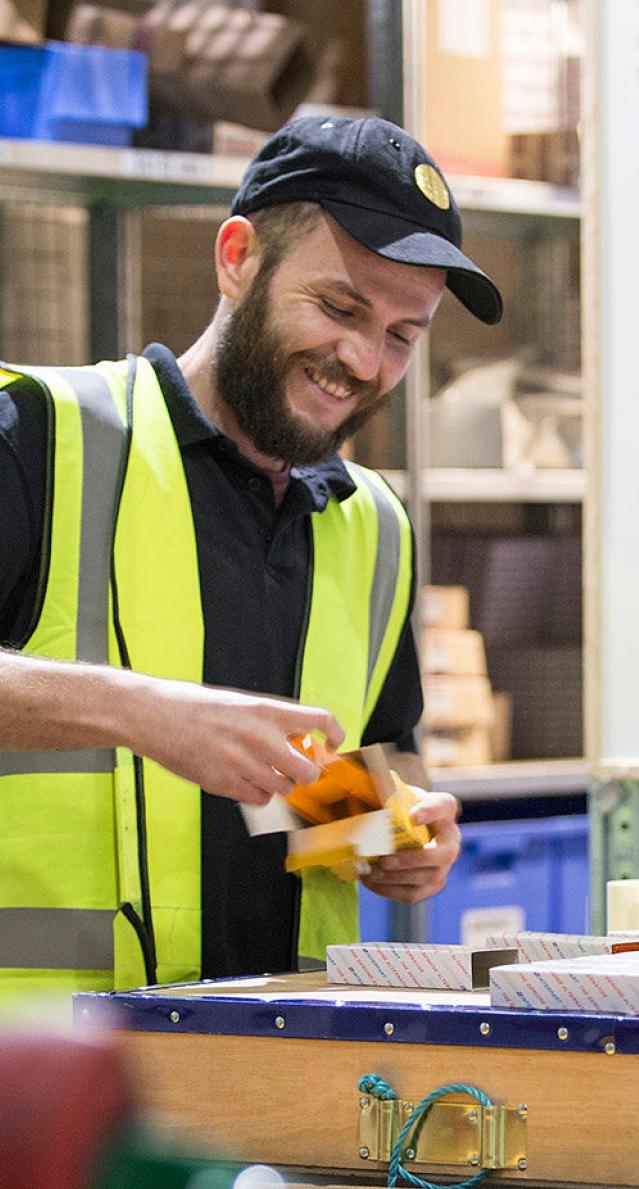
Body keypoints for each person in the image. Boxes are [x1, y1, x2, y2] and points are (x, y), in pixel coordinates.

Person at [0, 115, 503, 999]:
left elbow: (354, 768)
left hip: (278, 1055)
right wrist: (142, 713)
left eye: (401, 335)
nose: (362, 360)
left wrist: (393, 833)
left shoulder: (375, 528)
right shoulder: (42, 439)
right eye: (340, 308)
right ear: (237, 259)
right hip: (45, 1066)